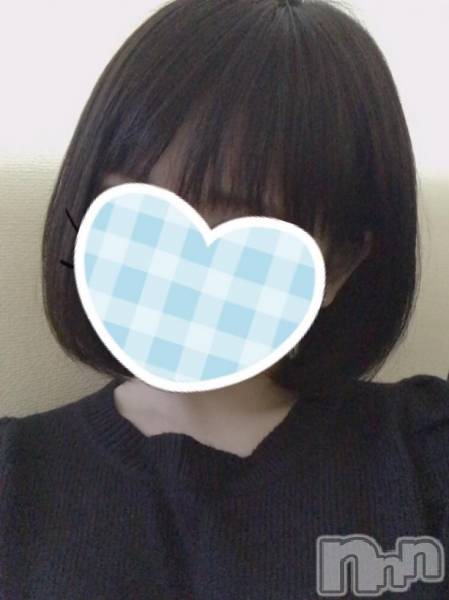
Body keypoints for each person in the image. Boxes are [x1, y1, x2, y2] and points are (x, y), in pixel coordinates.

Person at [1, 0, 448, 598]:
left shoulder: (424, 452)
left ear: (339, 263)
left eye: (239, 221)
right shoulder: (15, 477)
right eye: (134, 208)